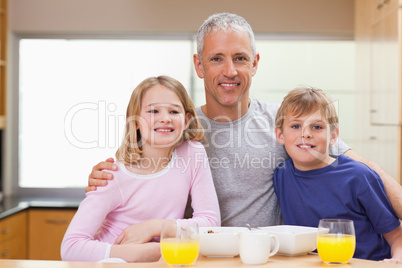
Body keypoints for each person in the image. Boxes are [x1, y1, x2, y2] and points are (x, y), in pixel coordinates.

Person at [86, 13, 402, 230]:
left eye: (240, 58)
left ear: (255, 63)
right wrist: (104, 179)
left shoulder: (286, 124)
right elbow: (131, 184)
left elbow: (364, 168)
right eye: (216, 59)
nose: (230, 71)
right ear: (198, 64)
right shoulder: (175, 130)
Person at [61, 76, 220, 262]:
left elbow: (211, 223)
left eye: (174, 111)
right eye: (153, 111)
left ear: (186, 121)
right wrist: (146, 252)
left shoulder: (192, 154)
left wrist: (156, 227)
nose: (165, 118)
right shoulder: (112, 176)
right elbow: (70, 247)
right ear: (135, 122)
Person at [273, 87, 402, 262]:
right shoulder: (281, 175)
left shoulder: (359, 177)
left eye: (317, 127)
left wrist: (396, 260)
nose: (306, 134)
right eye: (296, 126)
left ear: (333, 136)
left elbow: (396, 236)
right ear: (280, 135)